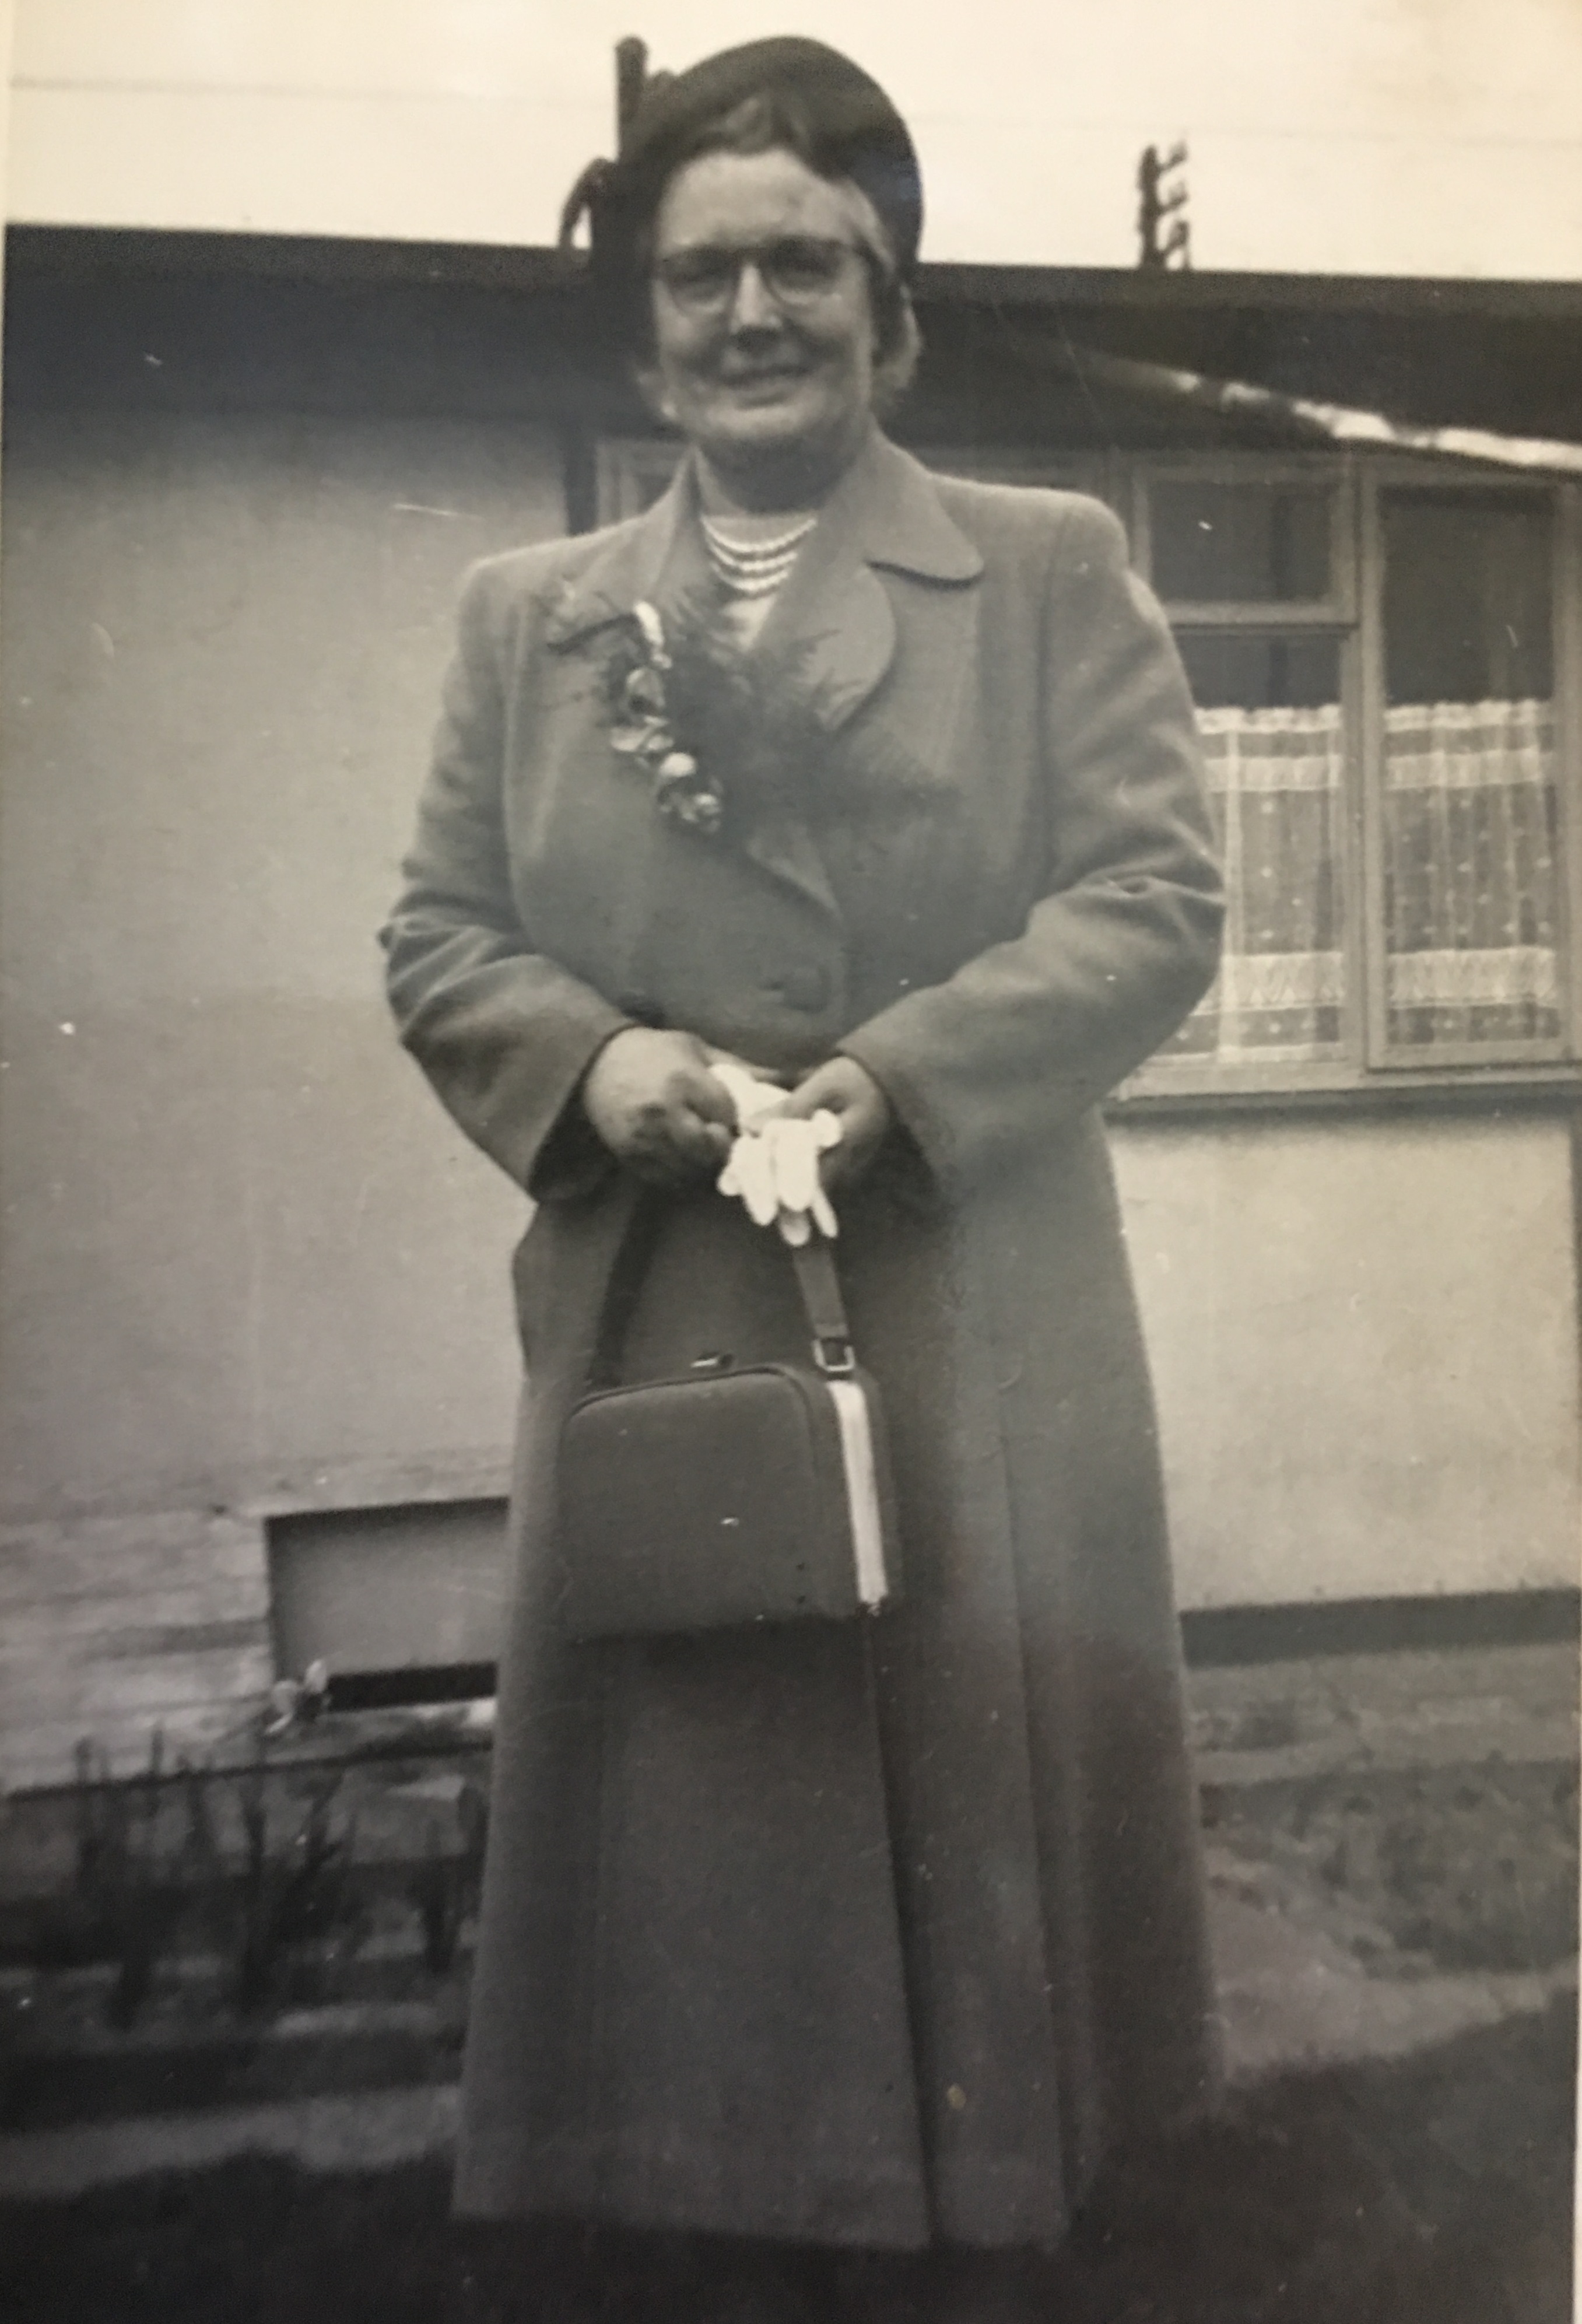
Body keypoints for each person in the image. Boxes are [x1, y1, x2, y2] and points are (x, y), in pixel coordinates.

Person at [382, 36, 1225, 2322]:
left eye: (802, 264)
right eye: (698, 274)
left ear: (891, 303)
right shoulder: (521, 619)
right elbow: (441, 932)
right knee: (702, 1962)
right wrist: (606, 1056)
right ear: (638, 322)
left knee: (969, 2017)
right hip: (664, 1329)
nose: (749, 312)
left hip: (973, 1333)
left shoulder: (1048, 574)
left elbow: (1151, 901)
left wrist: (898, 1077)